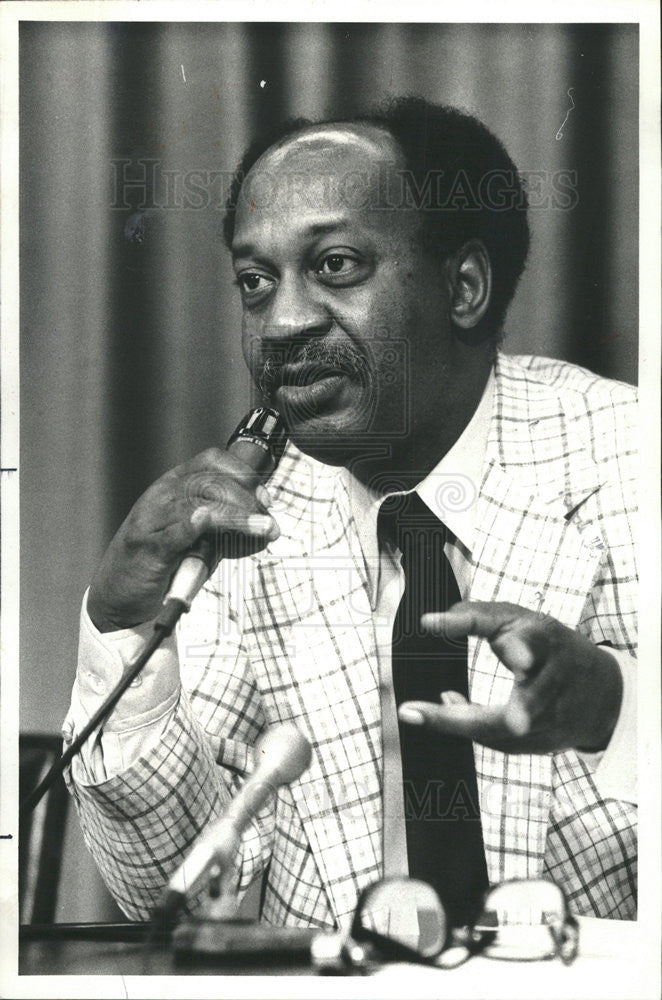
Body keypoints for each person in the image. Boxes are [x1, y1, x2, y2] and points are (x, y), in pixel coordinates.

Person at [64, 97, 637, 930]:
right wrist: (120, 627)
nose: (282, 324)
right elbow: (167, 891)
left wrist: (612, 709)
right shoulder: (250, 519)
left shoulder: (628, 456)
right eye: (255, 283)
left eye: (335, 266)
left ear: (464, 286)